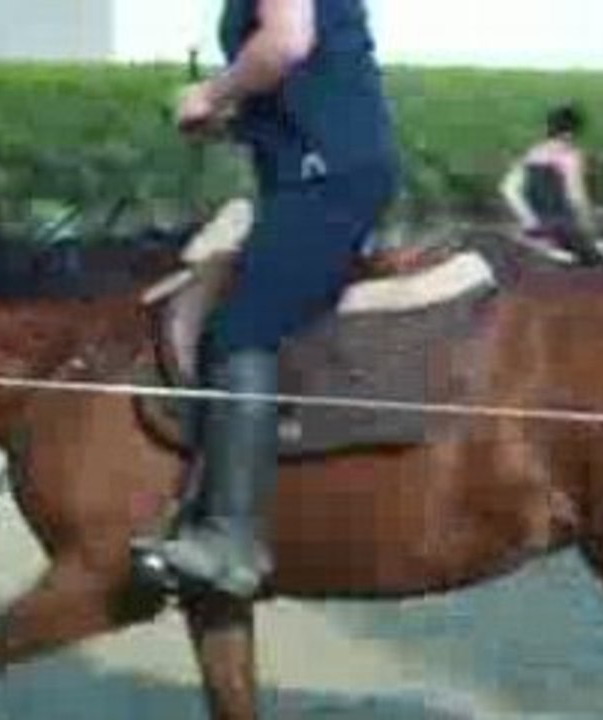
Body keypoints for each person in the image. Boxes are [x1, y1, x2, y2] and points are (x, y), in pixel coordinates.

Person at [132, 0, 401, 598]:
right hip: (310, 174)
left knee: (242, 328)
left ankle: (231, 538)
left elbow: (286, 41)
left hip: (326, 178)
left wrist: (211, 93)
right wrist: (228, 121)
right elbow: (298, 84)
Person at [499, 103, 603, 266]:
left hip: (536, 230)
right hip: (564, 229)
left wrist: (531, 223)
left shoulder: (533, 153)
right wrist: (590, 228)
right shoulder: (570, 157)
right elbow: (576, 197)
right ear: (570, 133)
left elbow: (508, 188)